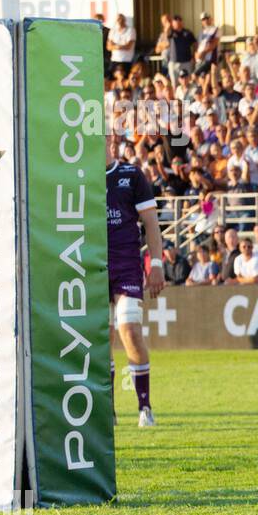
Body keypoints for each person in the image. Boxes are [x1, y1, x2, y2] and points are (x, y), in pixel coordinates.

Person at [106, 139, 166, 427]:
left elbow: (151, 224)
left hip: (126, 265)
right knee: (101, 341)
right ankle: (109, 410)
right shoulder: (76, 177)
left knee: (129, 330)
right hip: (89, 266)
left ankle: (144, 407)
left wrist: (156, 265)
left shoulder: (131, 175)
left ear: (110, 141)